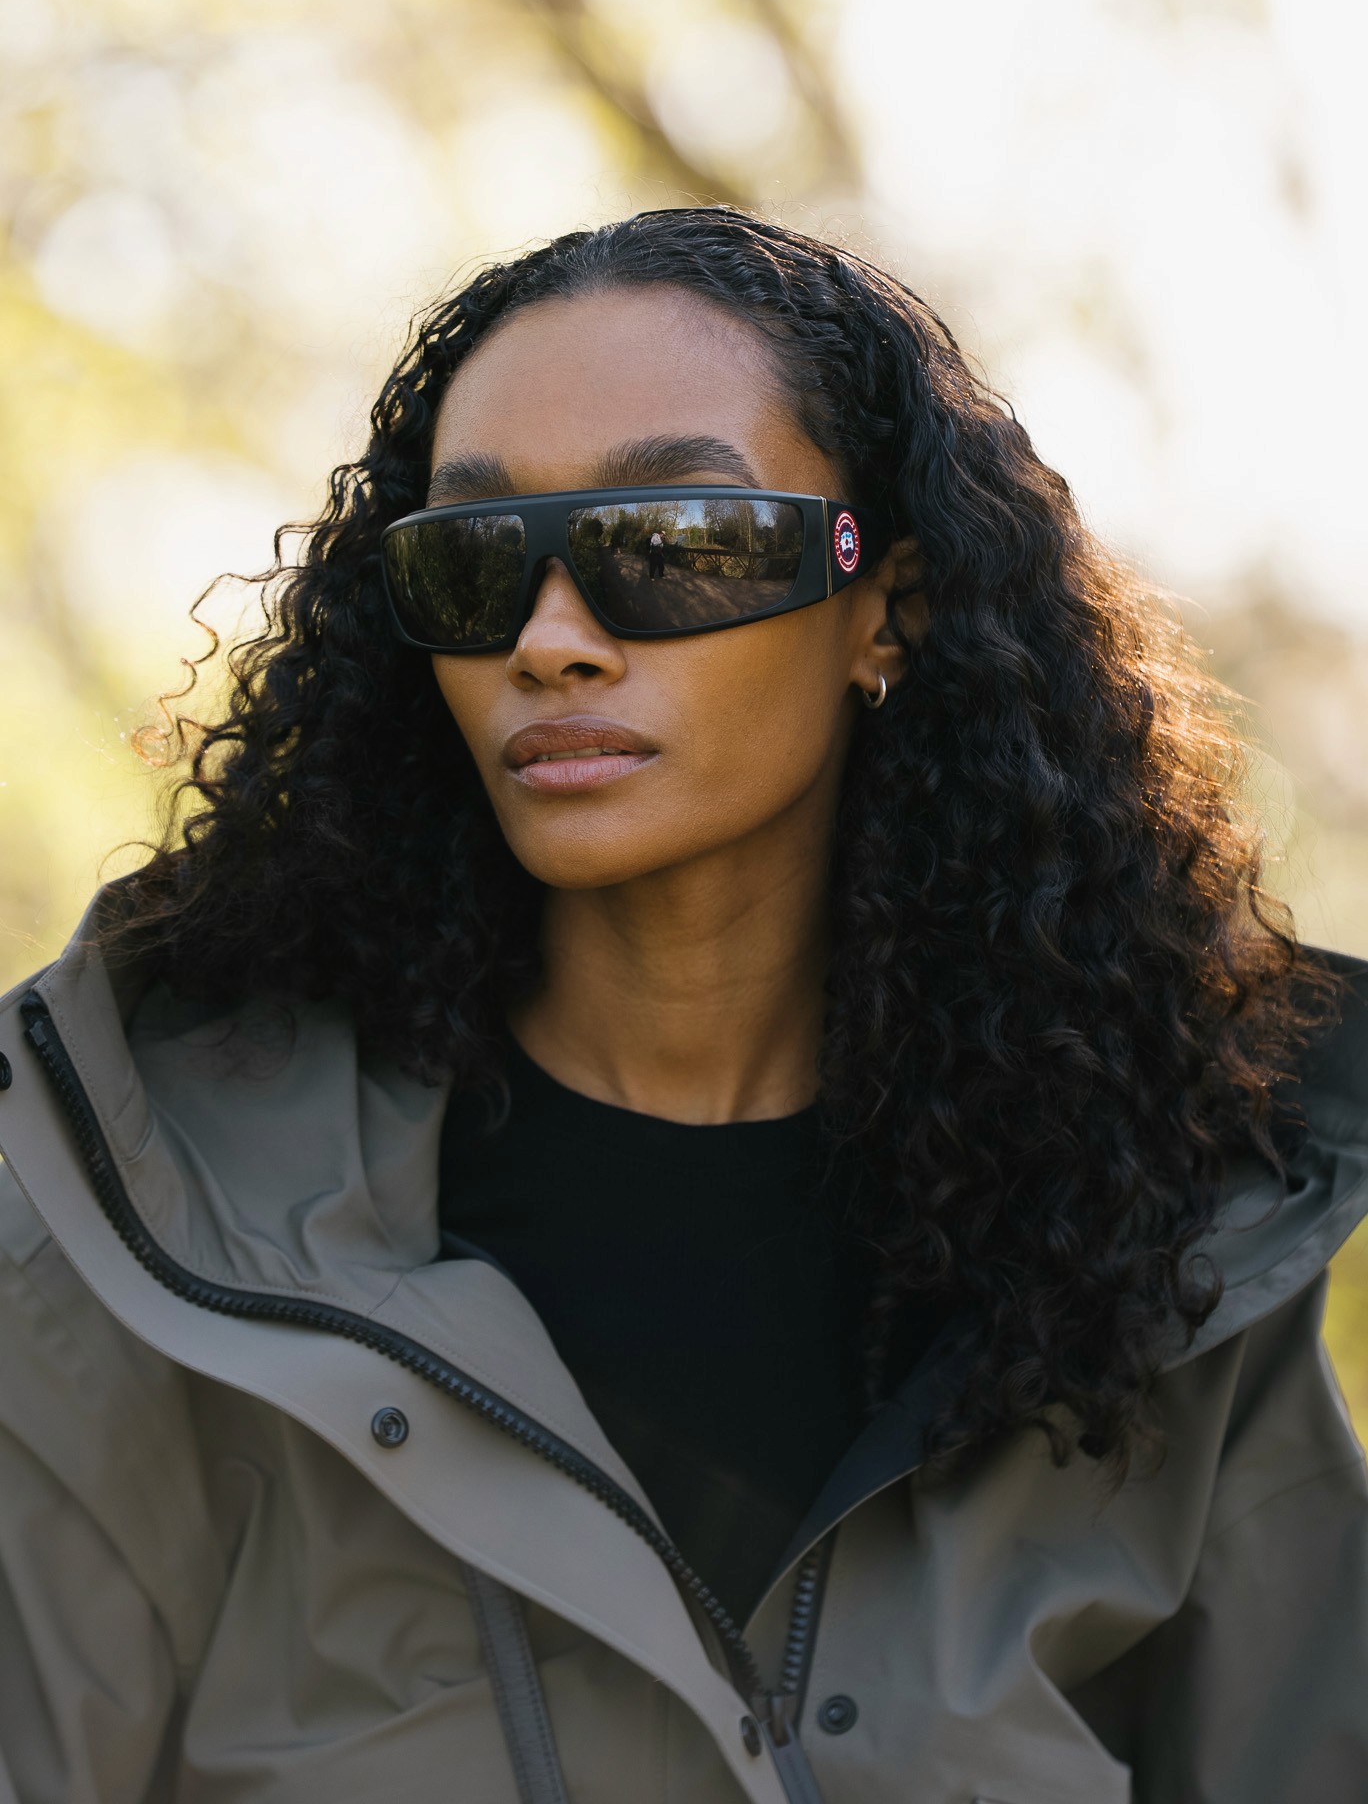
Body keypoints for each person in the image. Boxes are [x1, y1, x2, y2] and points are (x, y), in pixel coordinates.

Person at [1, 207, 1365, 1804]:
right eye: (474, 558)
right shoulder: (135, 1230)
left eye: (680, 543)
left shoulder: (1172, 1255)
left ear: (887, 606)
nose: (551, 640)